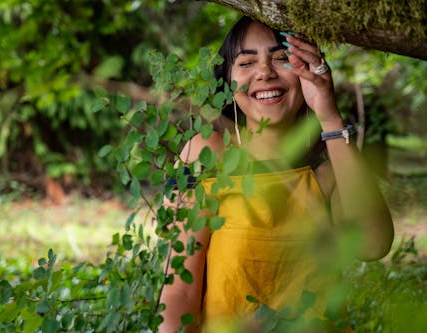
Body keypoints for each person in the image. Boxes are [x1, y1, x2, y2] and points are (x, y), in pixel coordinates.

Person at [159, 16, 394, 332]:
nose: (265, 72)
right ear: (227, 81)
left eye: (282, 58)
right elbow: (179, 290)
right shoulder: (205, 156)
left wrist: (329, 115)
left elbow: (373, 245)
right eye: (246, 62)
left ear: (306, 73)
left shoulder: (330, 162)